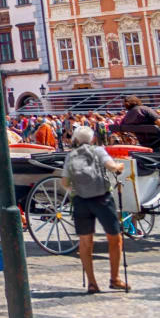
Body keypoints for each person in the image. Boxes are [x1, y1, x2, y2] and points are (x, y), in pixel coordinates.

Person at [61, 125, 129, 293]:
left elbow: (64, 182)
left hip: (80, 201)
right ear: (92, 138)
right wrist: (119, 167)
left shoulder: (71, 155)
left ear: (76, 139)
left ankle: (92, 283)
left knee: (85, 242)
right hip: (102, 199)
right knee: (115, 237)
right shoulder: (98, 150)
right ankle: (115, 278)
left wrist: (76, 191)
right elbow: (111, 167)